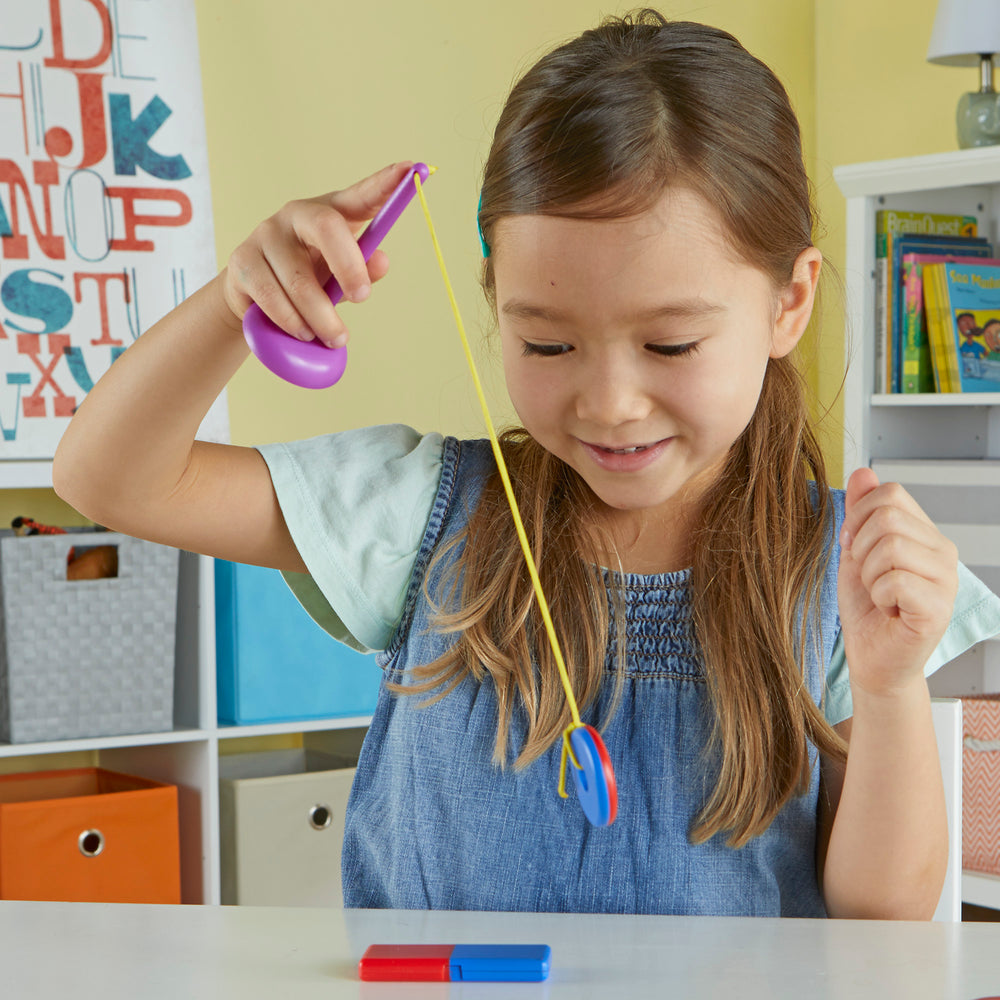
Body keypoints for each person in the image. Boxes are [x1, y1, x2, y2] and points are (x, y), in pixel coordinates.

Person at [53, 10, 1000, 918]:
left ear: (789, 304)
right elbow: (107, 479)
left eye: (670, 346)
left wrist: (888, 686)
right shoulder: (422, 508)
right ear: (497, 300)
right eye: (547, 347)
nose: (608, 403)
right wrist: (234, 304)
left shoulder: (844, 575)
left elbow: (883, 911)